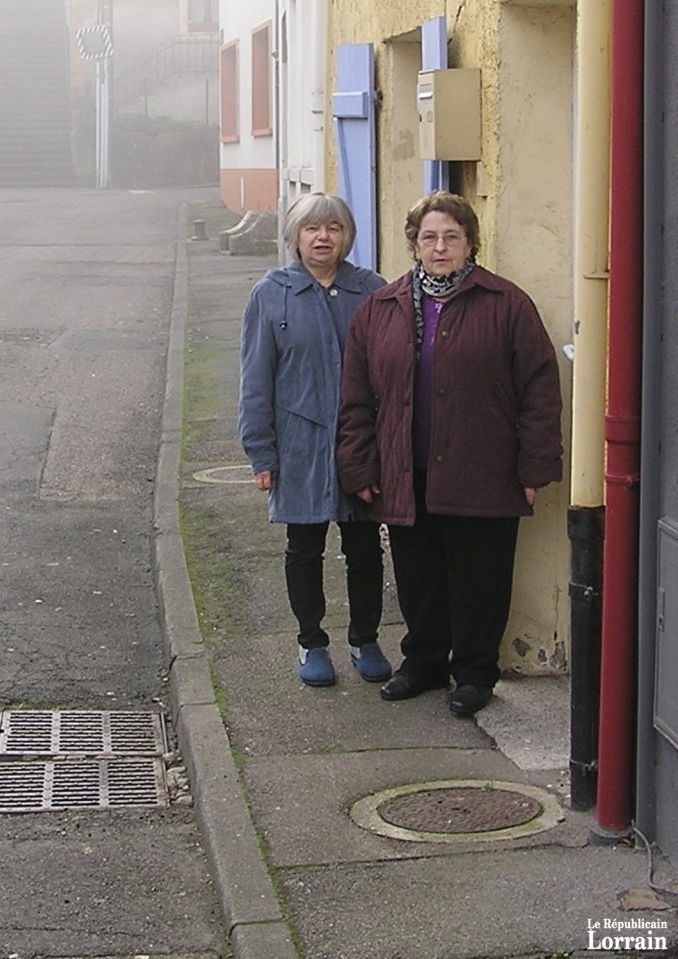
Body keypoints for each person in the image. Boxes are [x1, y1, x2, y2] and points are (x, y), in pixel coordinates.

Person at [337, 191, 563, 716]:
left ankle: (475, 673)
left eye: (451, 237)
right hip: (406, 467)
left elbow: (539, 390)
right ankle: (423, 664)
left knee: (479, 576)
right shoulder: (382, 308)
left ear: (470, 243)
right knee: (418, 576)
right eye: (429, 237)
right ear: (414, 245)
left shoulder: (507, 304)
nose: (440, 247)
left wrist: (533, 466)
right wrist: (361, 464)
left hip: (484, 467)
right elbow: (355, 395)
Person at [239, 192, 391, 688]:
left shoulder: (372, 291)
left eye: (333, 228)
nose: (322, 237)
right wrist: (261, 451)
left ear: (347, 235)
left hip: (359, 444)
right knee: (304, 546)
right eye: (311, 229)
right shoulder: (271, 293)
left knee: (364, 545)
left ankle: (365, 638)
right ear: (295, 237)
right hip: (299, 445)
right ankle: (311, 642)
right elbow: (256, 379)